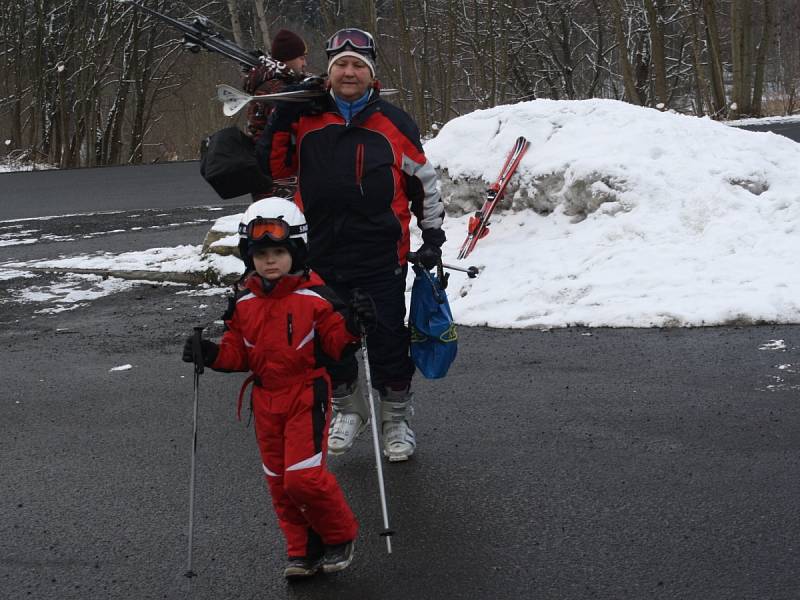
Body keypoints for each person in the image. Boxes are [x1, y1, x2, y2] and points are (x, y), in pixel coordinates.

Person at [255, 28, 446, 462]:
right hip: (320, 254)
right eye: (341, 63)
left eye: (358, 65)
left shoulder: (393, 124)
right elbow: (273, 166)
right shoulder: (306, 119)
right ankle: (349, 408)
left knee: (387, 341)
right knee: (327, 340)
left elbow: (425, 183)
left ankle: (396, 418)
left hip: (380, 255)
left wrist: (432, 235)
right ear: (328, 72)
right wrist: (282, 116)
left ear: (371, 74)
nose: (349, 71)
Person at [181, 197, 377, 579]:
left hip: (306, 394)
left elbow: (338, 344)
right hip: (266, 401)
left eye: (279, 252)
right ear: (248, 256)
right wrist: (211, 354)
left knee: (303, 478)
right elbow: (240, 354)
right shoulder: (244, 303)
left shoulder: (315, 298)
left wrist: (355, 324)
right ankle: (303, 550)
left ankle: (339, 535)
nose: (269, 261)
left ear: (297, 252)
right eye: (261, 253)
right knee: (278, 483)